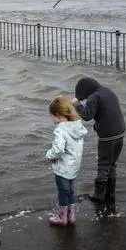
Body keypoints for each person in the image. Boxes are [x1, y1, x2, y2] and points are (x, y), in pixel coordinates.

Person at [71, 76, 125, 203]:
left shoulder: (94, 97)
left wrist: (76, 104)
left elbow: (87, 115)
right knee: (112, 164)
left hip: (108, 136)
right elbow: (108, 112)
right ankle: (110, 194)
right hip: (120, 132)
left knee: (103, 164)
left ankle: (99, 195)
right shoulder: (108, 92)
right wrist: (98, 125)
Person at [45, 96, 87, 226]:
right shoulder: (77, 127)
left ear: (57, 114)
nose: (51, 119)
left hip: (63, 168)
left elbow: (58, 149)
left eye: (51, 115)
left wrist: (49, 155)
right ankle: (71, 216)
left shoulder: (60, 130)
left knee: (62, 192)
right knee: (70, 191)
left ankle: (62, 217)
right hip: (74, 166)